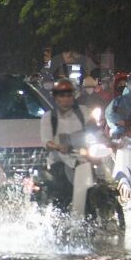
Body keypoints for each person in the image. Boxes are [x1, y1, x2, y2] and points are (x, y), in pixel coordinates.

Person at [40, 77, 93, 214]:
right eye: (62, 95)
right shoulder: (49, 117)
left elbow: (95, 129)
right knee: (63, 190)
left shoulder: (83, 112)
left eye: (69, 95)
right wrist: (58, 147)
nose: (66, 98)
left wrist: (109, 142)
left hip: (83, 157)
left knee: (101, 180)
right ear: (56, 98)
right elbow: (47, 141)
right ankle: (60, 220)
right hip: (60, 160)